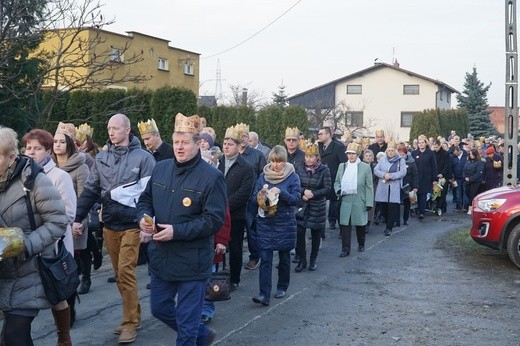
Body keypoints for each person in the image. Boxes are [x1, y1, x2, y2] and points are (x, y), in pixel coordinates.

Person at [136, 113, 226, 345]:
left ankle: (195, 335)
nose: (179, 147)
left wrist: (177, 231)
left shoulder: (212, 177)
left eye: (185, 142)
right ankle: (203, 335)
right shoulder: (161, 168)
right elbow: (145, 199)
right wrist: (144, 219)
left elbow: (213, 220)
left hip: (192, 262)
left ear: (198, 144)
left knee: (186, 327)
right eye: (176, 142)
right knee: (159, 308)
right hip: (161, 258)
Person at [72, 113, 156, 344]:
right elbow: (91, 189)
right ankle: (134, 315)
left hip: (133, 224)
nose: (111, 132)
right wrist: (78, 217)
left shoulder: (144, 158)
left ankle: (129, 323)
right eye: (109, 128)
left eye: (116, 128)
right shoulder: (102, 157)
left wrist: (148, 225)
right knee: (119, 275)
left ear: (128, 130)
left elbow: (150, 195)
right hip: (109, 223)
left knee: (127, 272)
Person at [0, 127, 68, 346]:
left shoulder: (34, 181)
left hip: (30, 271)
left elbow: (58, 222)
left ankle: (64, 336)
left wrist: (25, 245)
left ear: (11, 157)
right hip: (3, 274)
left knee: (14, 336)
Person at [23, 128, 78, 344]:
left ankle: (63, 336)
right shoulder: (21, 175)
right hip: (28, 246)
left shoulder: (59, 176)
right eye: (28, 148)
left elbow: (69, 213)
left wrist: (41, 226)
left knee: (56, 295)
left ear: (47, 151)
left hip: (54, 246)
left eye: (37, 148)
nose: (31, 152)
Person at [251, 145, 301, 306]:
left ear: (284, 161)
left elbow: (295, 199)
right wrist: (260, 195)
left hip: (284, 223)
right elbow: (253, 198)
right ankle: (263, 294)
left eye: (279, 162)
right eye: (273, 161)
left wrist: (281, 192)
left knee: (284, 258)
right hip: (265, 223)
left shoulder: (292, 177)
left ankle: (282, 286)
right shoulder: (263, 176)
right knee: (265, 259)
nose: (275, 165)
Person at [53, 123, 92, 298]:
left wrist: (80, 221)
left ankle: (86, 278)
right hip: (55, 219)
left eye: (62, 141)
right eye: (55, 141)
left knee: (80, 252)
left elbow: (84, 196)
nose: (58, 145)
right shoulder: (50, 168)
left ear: (69, 144)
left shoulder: (81, 167)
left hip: (76, 216)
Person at [217, 124, 255, 291]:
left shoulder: (246, 168)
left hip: (235, 215)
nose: (226, 146)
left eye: (230, 144)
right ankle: (217, 274)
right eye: (225, 143)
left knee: (235, 247)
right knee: (217, 244)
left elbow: (244, 193)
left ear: (239, 147)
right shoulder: (218, 163)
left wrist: (224, 206)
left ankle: (234, 278)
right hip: (216, 213)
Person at [294, 141, 331, 271]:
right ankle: (302, 260)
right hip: (303, 204)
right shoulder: (299, 168)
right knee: (300, 232)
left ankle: (313, 259)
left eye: (312, 157)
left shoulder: (324, 170)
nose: (309, 159)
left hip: (317, 205)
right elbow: (295, 185)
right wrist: (303, 192)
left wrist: (313, 194)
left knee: (316, 233)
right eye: (307, 156)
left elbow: (327, 189)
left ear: (317, 157)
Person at [236, 123, 266, 271]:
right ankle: (235, 259)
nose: (242, 139)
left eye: (245, 136)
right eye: (240, 136)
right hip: (234, 200)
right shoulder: (231, 154)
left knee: (251, 229)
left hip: (250, 200)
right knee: (234, 232)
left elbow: (263, 177)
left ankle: (255, 256)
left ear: (249, 139)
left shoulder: (257, 155)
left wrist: (258, 195)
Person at [335, 143, 374, 256]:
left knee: (360, 224)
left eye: (353, 154)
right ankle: (345, 249)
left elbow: (369, 186)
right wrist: (338, 190)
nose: (350, 156)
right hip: (346, 199)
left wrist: (369, 202)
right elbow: (337, 181)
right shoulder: (342, 166)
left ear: (357, 154)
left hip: (359, 199)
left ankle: (361, 243)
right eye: (349, 154)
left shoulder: (365, 167)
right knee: (345, 225)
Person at [374, 142, 407, 236]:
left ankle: (389, 228)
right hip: (383, 186)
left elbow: (403, 172)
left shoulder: (401, 160)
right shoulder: (382, 160)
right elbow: (376, 170)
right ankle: (387, 221)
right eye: (389, 151)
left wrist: (392, 176)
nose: (391, 152)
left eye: (392, 150)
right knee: (383, 206)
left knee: (392, 207)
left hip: (394, 186)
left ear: (395, 151)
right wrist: (384, 175)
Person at [317, 126, 346, 232]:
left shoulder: (338, 147)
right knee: (321, 205)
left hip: (334, 178)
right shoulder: (319, 147)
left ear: (328, 134)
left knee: (336, 204)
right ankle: (320, 231)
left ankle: (341, 227)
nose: (318, 136)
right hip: (321, 179)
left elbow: (343, 164)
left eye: (321, 134)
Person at [411, 136, 437, 219]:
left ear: (425, 143)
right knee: (417, 194)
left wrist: (434, 179)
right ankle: (417, 208)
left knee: (423, 195)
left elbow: (434, 166)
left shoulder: (430, 153)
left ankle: (422, 212)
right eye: (419, 143)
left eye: (422, 142)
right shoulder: (414, 153)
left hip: (426, 177)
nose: (421, 144)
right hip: (416, 177)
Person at [398, 144, 418, 226]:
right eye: (400, 155)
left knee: (407, 203)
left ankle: (405, 219)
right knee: (397, 204)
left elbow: (415, 174)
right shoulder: (396, 162)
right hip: (398, 185)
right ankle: (396, 220)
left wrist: (415, 186)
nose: (402, 156)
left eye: (403, 155)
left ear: (406, 154)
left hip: (408, 185)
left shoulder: (411, 162)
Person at [432, 140, 452, 214]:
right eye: (434, 147)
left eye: (436, 147)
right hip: (436, 176)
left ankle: (441, 207)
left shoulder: (445, 154)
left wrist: (442, 173)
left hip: (444, 176)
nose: (435, 149)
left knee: (443, 192)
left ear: (440, 146)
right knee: (437, 192)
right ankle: (440, 206)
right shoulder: (433, 153)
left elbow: (447, 165)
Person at [464, 148, 485, 215]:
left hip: (475, 182)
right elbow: (464, 170)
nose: (471, 155)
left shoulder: (479, 162)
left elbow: (479, 173)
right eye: (470, 154)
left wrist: (471, 178)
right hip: (467, 181)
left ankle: (471, 209)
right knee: (467, 193)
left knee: (472, 195)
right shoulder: (468, 161)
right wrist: (465, 177)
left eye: (472, 154)